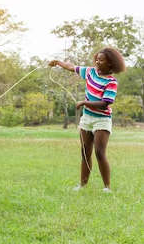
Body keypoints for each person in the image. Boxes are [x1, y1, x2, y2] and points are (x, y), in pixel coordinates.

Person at [49, 47, 126, 192]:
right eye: (97, 58)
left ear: (110, 63)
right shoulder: (90, 72)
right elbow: (72, 67)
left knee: (99, 152)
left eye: (101, 60)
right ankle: (82, 185)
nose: (97, 61)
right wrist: (58, 62)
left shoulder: (111, 82)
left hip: (102, 119)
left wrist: (84, 103)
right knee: (85, 152)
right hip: (87, 118)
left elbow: (105, 104)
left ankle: (107, 187)